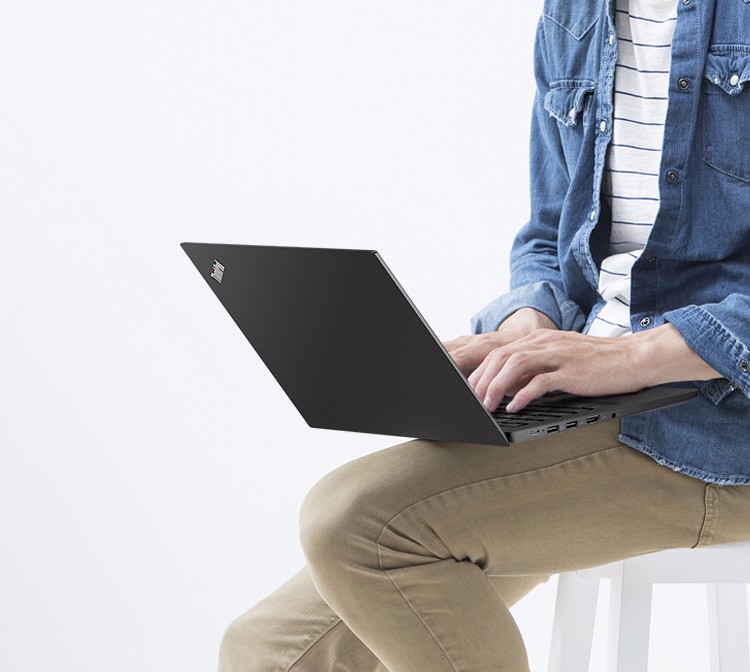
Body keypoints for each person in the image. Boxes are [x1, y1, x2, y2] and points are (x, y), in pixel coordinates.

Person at [219, 0, 750, 670]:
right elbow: (549, 233)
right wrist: (527, 333)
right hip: (592, 393)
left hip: (720, 424)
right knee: (267, 652)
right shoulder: (574, 16)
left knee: (357, 524)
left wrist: (633, 356)